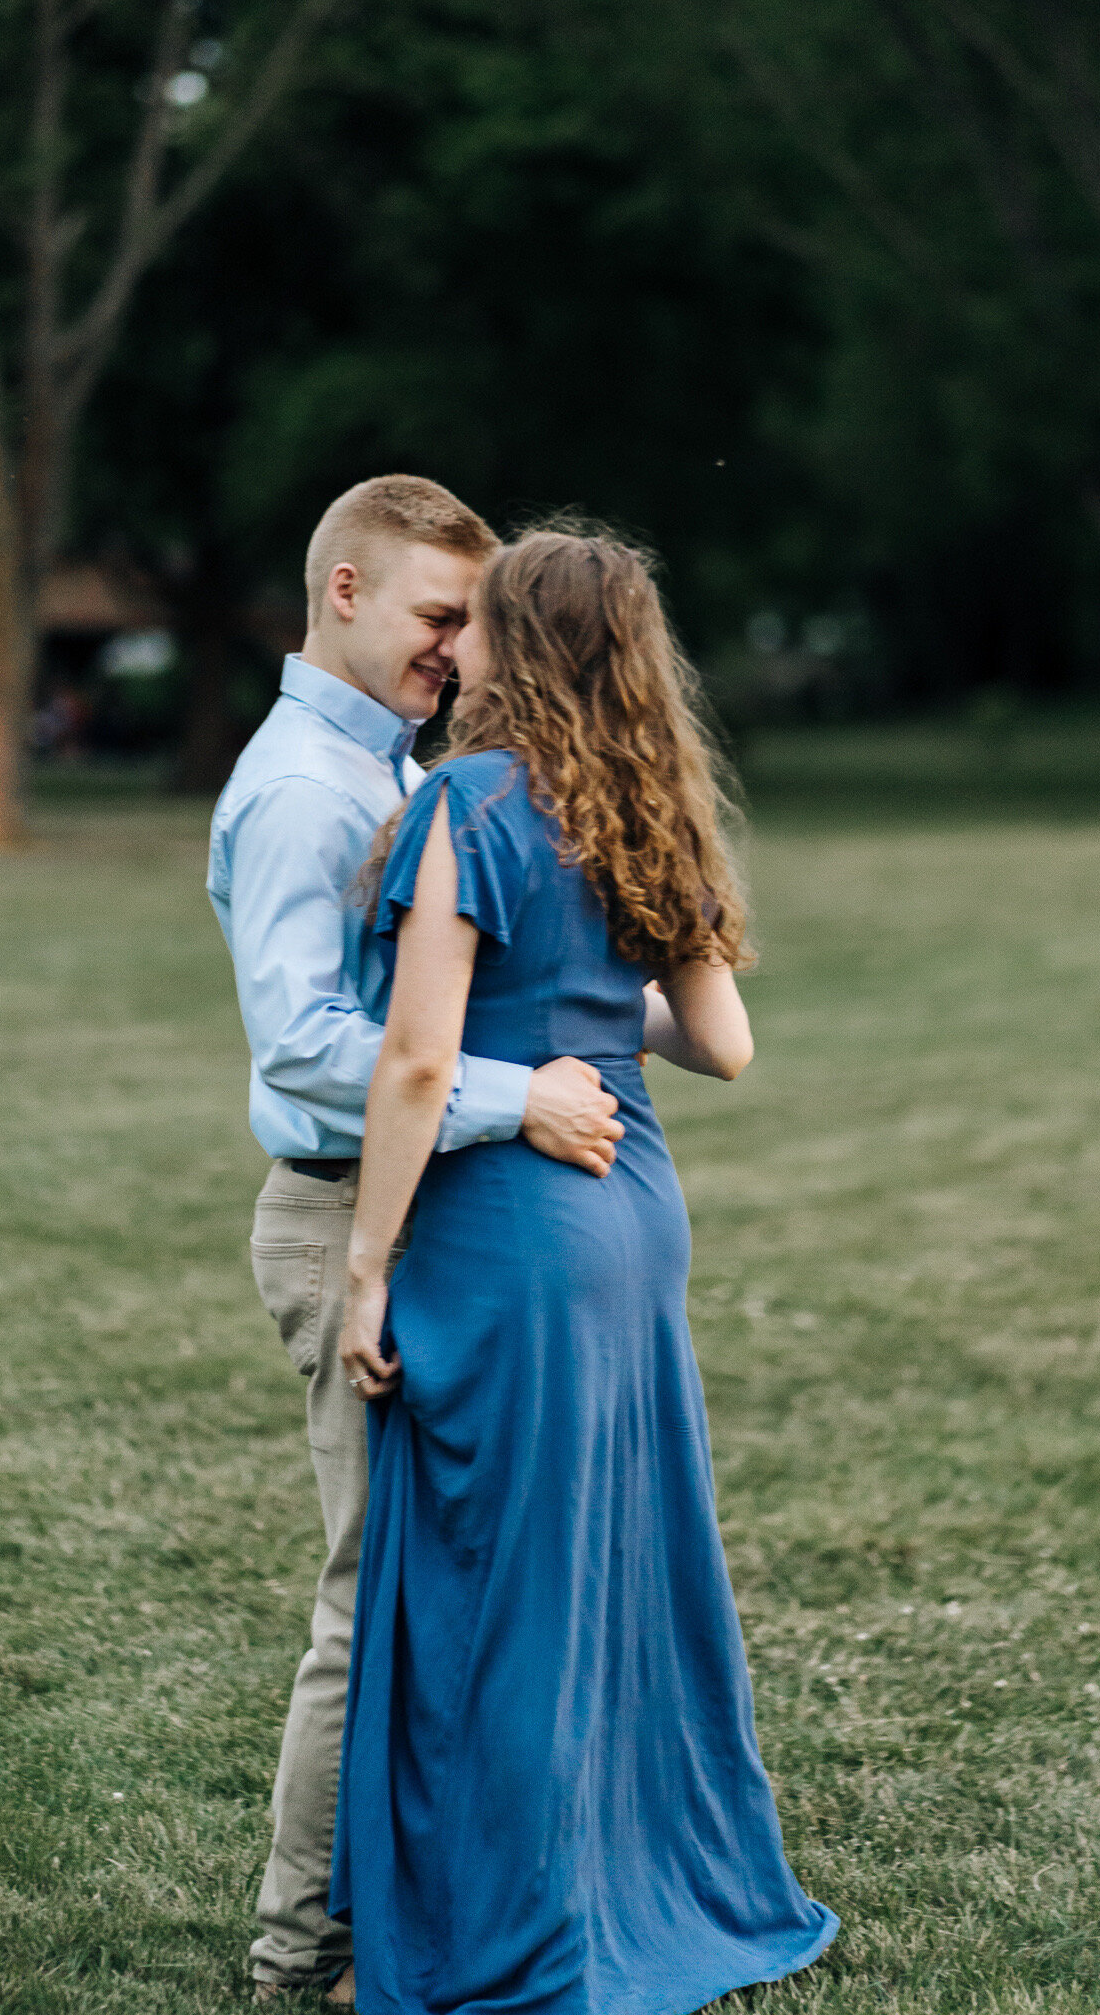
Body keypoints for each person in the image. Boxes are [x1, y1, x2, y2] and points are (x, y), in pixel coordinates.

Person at [331, 525, 838, 2015]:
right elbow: (727, 1047)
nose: (455, 646)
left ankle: (523, 1928)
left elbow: (420, 1061)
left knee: (501, 1593)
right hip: (633, 1210)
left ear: (518, 645)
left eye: (476, 622)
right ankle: (646, 1880)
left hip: (513, 1235)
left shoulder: (466, 808)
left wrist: (368, 1273)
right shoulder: (647, 806)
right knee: (617, 1570)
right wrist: (596, 1022)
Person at [207, 478, 627, 2006]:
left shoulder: (400, 768)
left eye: (473, 622)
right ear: (344, 594)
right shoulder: (308, 791)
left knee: (429, 1585)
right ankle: (300, 1943)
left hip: (428, 1212)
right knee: (368, 1589)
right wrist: (523, 1096)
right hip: (336, 1216)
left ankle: (406, 1913)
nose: (461, 650)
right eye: (441, 617)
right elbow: (312, 1044)